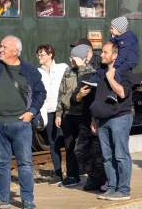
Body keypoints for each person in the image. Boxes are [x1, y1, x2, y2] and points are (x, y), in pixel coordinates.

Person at [0, 36, 46, 209]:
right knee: (1, 163)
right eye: (0, 46)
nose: (0, 49)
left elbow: (41, 93)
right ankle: (2, 199)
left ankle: (27, 199)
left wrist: (31, 112)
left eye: (4, 47)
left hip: (20, 124)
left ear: (15, 51)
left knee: (24, 163)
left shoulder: (29, 70)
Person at [88, 41, 134, 201]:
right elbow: (98, 98)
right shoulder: (102, 72)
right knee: (107, 157)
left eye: (105, 52)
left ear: (115, 56)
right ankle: (112, 187)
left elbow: (122, 93)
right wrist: (94, 119)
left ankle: (123, 189)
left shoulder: (125, 72)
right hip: (102, 120)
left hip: (119, 118)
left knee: (121, 155)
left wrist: (111, 78)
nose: (101, 55)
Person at [55, 45, 96, 188]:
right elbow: (61, 93)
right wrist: (59, 113)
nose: (70, 59)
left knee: (86, 147)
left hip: (83, 115)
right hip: (69, 114)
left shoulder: (91, 72)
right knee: (69, 146)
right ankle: (72, 176)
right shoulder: (68, 73)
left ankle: (93, 176)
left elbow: (82, 86)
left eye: (73, 57)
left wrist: (81, 67)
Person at [70, 44, 107, 192]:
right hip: (86, 122)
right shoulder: (87, 77)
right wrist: (79, 95)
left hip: (99, 120)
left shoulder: (102, 77)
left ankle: (103, 178)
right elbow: (73, 99)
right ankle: (96, 177)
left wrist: (95, 119)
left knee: (97, 153)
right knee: (80, 152)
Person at [36, 44, 69, 185]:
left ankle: (74, 170)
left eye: (42, 55)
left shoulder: (63, 68)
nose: (39, 57)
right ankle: (57, 172)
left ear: (50, 55)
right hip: (49, 110)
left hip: (64, 110)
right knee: (53, 141)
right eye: (38, 55)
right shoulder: (38, 72)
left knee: (69, 140)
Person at [102, 17, 138, 103]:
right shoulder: (121, 37)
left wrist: (115, 67)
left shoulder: (127, 39)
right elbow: (114, 40)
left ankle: (114, 93)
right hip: (126, 59)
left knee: (118, 71)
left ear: (120, 29)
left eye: (112, 28)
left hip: (129, 61)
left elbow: (122, 55)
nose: (110, 30)